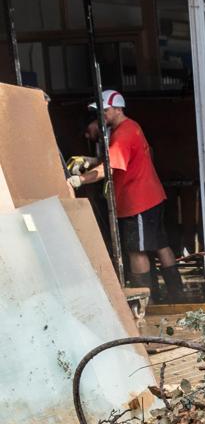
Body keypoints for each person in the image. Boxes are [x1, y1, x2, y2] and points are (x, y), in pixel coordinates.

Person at [67, 90, 184, 300]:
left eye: (104, 110)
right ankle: (177, 294)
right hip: (151, 196)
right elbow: (113, 159)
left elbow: (108, 168)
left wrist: (80, 180)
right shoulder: (129, 128)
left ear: (118, 108)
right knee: (160, 245)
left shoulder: (123, 133)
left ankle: (148, 300)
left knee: (136, 251)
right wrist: (90, 160)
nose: (101, 115)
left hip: (137, 201)